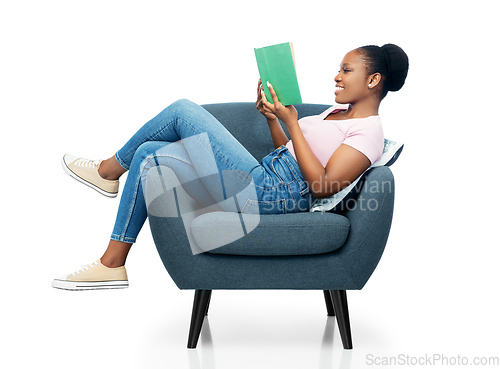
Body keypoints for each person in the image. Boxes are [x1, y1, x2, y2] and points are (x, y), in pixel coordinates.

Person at [52, 44, 409, 291]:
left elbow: (321, 186)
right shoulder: (337, 114)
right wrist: (273, 119)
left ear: (373, 80)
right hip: (267, 178)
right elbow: (289, 153)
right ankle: (113, 263)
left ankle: (107, 171)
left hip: (274, 196)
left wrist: (295, 123)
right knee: (149, 154)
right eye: (339, 69)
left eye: (346, 70)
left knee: (181, 109)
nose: (337, 77)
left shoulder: (369, 132)